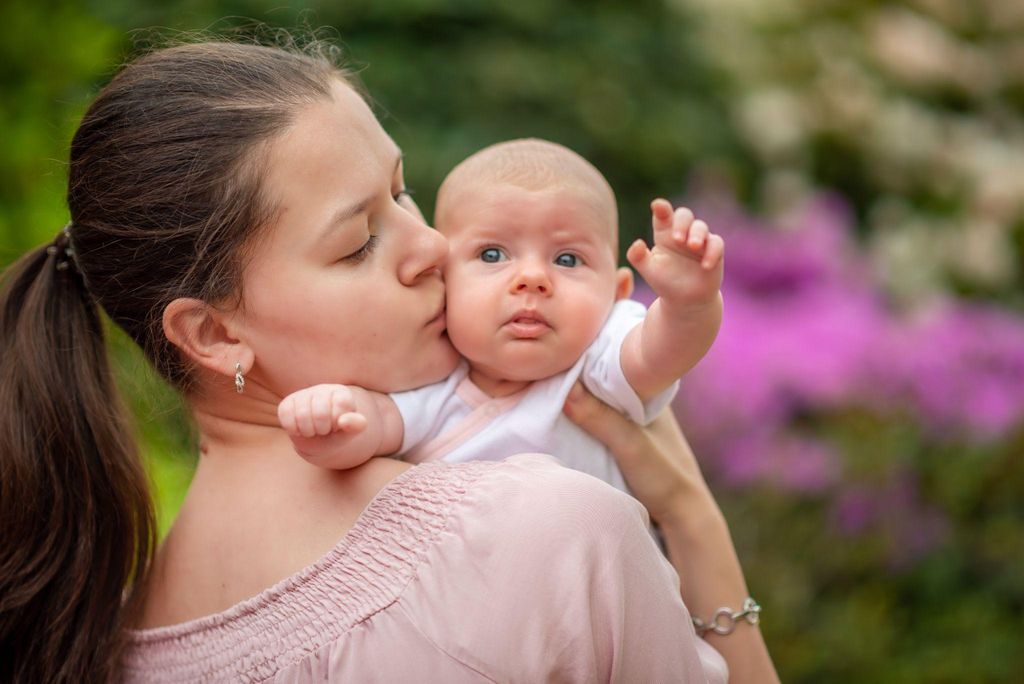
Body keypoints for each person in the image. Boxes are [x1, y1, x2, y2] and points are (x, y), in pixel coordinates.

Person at [0, 38, 778, 682]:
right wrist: (690, 518)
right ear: (212, 336)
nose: (433, 247)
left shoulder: (98, 650)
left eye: (402, 194)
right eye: (359, 242)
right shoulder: (549, 536)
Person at [277, 139, 724, 498]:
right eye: (492, 254)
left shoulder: (599, 365)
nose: (532, 278)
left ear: (617, 293)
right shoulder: (436, 383)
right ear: (443, 279)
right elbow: (375, 425)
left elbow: (661, 352)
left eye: (568, 259)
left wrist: (689, 304)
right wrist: (331, 418)